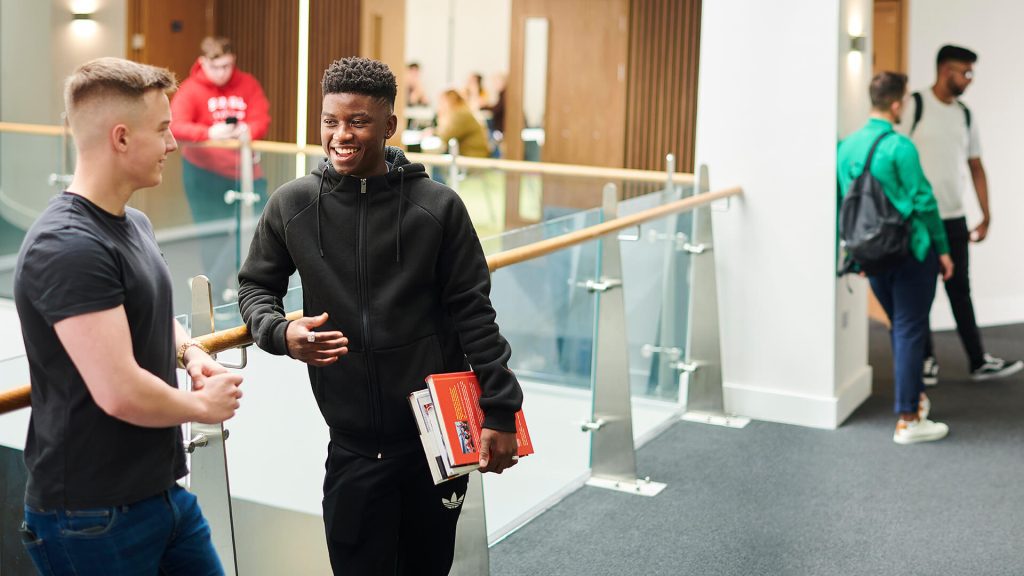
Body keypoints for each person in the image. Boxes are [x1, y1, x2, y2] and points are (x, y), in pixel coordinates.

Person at [237, 57, 523, 575]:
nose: (340, 135)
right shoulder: (292, 205)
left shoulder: (438, 208)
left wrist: (501, 409)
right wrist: (281, 333)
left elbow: (475, 315)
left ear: (389, 126)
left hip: (430, 444)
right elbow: (256, 286)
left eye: (357, 122)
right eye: (330, 121)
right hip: (350, 447)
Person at [14, 57, 244, 575]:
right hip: (91, 515)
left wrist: (189, 353)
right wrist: (202, 407)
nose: (173, 144)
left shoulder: (133, 223)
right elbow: (118, 390)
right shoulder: (68, 246)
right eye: (162, 130)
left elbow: (150, 314)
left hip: (162, 495)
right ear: (121, 138)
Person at [838, 72, 954, 445]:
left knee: (900, 325)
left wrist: (850, 251)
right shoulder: (899, 147)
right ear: (896, 103)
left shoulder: (847, 146)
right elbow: (924, 201)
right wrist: (943, 249)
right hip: (909, 252)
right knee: (909, 327)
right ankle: (908, 419)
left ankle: (915, 399)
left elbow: (843, 203)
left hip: (870, 255)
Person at [897, 44, 1022, 384]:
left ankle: (978, 360)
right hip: (919, 219)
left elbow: (976, 165)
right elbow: (894, 155)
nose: (969, 79)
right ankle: (926, 360)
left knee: (960, 290)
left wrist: (986, 213)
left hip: (954, 218)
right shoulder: (915, 106)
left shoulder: (964, 113)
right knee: (919, 290)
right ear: (945, 71)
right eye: (965, 72)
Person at [433, 89, 491, 158]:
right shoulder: (461, 110)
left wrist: (441, 116)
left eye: (442, 102)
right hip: (472, 155)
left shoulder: (461, 114)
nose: (440, 106)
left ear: (450, 101)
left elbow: (446, 136)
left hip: (474, 157)